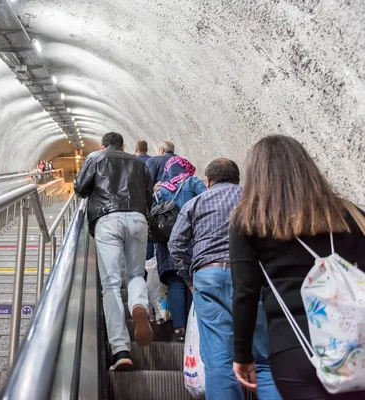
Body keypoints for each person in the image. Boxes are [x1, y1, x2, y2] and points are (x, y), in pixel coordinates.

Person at [230, 135, 365, 400]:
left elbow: (245, 293)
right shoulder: (351, 214)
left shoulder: (248, 222)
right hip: (355, 343)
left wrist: (242, 354)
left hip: (293, 346)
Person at [169, 158, 280, 400]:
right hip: (253, 277)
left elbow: (175, 244)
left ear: (208, 182)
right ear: (238, 179)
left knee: (218, 361)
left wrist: (190, 277)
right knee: (263, 359)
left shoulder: (195, 203)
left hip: (209, 277)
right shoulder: (257, 201)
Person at [74, 132, 153, 371]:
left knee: (110, 285)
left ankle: (121, 351)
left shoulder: (96, 157)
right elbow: (149, 197)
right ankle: (139, 305)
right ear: (124, 145)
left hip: (107, 219)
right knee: (136, 275)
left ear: (103, 145)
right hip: (138, 218)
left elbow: (80, 188)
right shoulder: (139, 163)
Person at [154, 155, 206, 341]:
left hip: (168, 242)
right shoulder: (192, 182)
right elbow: (206, 199)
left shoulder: (160, 189)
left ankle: (179, 330)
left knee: (175, 283)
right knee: (192, 282)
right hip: (193, 239)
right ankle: (195, 328)